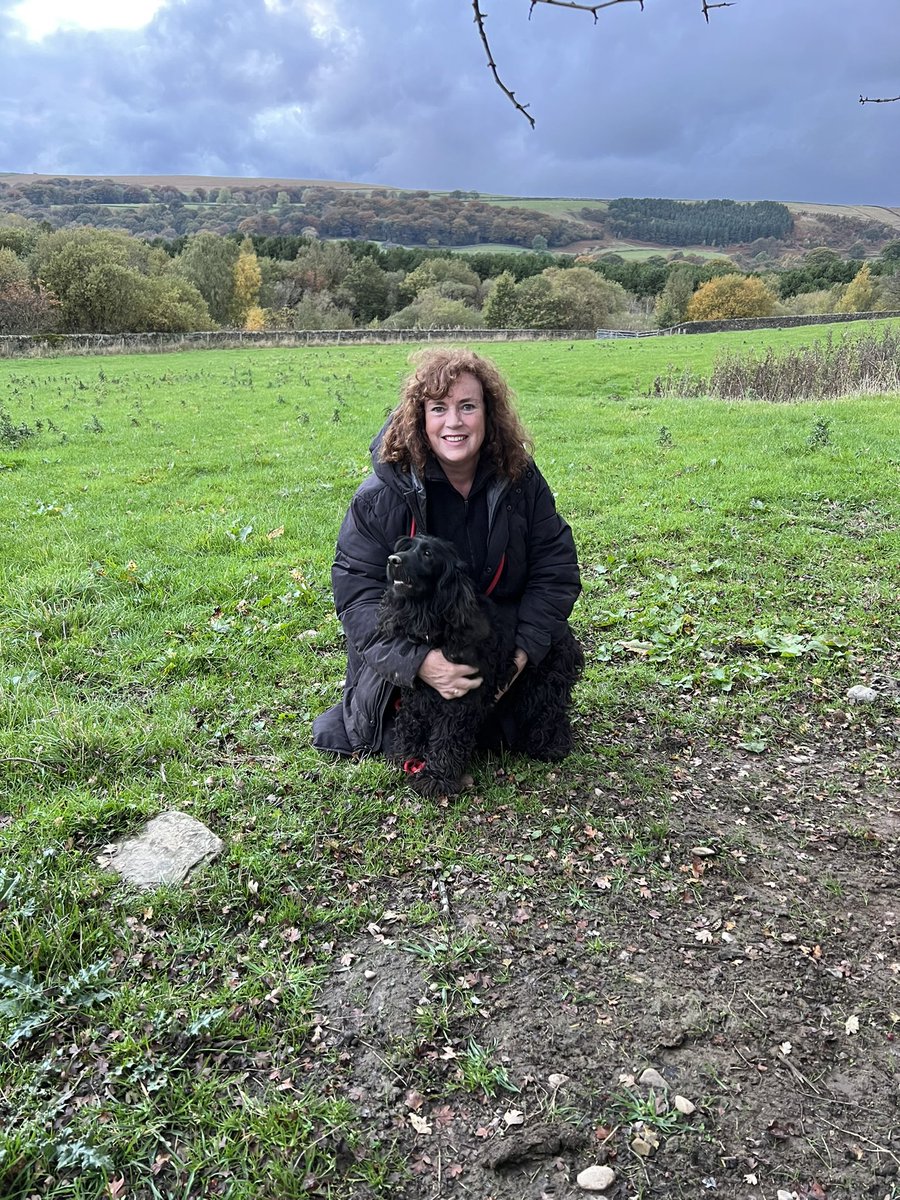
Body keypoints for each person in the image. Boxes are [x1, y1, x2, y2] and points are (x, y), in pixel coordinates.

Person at [312, 347, 581, 758]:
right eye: (438, 408)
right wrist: (421, 664)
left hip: (496, 647)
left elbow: (554, 568)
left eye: (467, 406)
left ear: (488, 415)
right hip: (413, 649)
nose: (453, 422)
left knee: (544, 682)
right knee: (408, 737)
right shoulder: (379, 498)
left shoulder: (521, 481)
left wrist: (521, 652)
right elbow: (359, 597)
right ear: (420, 419)